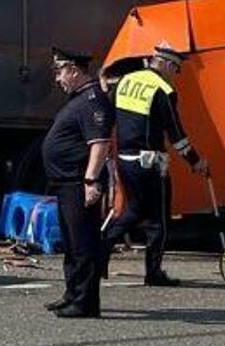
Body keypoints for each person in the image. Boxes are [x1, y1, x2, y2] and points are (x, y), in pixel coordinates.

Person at [108, 43, 208, 286]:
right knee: (158, 219)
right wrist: (195, 161)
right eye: (175, 67)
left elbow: (111, 116)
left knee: (134, 210)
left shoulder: (125, 81)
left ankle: (100, 253)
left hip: (125, 160)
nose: (175, 73)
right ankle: (153, 273)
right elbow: (176, 134)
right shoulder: (162, 89)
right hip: (150, 163)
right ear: (163, 62)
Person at [40, 47, 111, 319]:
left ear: (74, 69)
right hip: (65, 181)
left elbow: (99, 143)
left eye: (60, 72)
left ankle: (85, 302)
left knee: (83, 243)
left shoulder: (92, 100)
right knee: (71, 242)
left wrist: (91, 180)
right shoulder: (78, 99)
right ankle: (72, 294)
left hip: (78, 182)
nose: (58, 78)